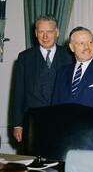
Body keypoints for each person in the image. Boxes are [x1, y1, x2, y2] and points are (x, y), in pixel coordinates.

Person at [12, 15, 73, 143]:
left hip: (63, 122)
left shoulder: (70, 56)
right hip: (33, 123)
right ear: (35, 33)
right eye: (41, 32)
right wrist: (18, 124)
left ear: (57, 33)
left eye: (49, 32)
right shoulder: (25, 57)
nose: (45, 36)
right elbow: (18, 93)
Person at [52, 27, 93, 110]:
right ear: (72, 47)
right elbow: (55, 106)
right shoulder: (62, 72)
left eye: (90, 42)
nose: (87, 47)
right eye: (81, 43)